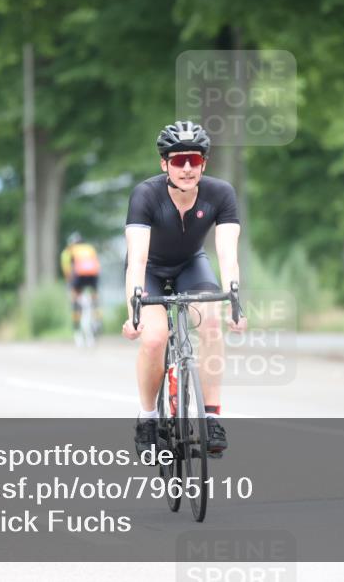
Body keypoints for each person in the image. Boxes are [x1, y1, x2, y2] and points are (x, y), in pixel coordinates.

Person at [122, 120, 247, 457]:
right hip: (149, 270)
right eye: (178, 160)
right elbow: (136, 259)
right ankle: (148, 419)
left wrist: (235, 300)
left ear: (204, 163)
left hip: (191, 265)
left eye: (194, 159)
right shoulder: (145, 194)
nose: (187, 168)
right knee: (154, 338)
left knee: (211, 321)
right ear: (164, 163)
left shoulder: (221, 193)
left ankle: (211, 417)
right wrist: (134, 312)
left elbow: (227, 255)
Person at [60, 232, 102, 338]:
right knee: (95, 298)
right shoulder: (90, 248)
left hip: (79, 275)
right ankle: (96, 318)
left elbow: (67, 269)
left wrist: (70, 283)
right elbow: (96, 263)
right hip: (93, 275)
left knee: (74, 298)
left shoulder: (69, 250)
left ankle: (76, 322)